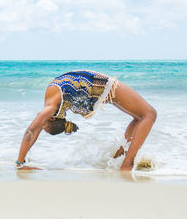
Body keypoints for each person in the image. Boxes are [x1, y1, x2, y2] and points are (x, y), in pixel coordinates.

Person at [16, 70, 156, 171]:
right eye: (43, 125)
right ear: (52, 119)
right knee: (149, 114)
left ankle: (120, 160)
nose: (40, 123)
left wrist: (20, 162)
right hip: (105, 87)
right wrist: (21, 163)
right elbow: (32, 131)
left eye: (43, 126)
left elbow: (31, 131)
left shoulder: (51, 107)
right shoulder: (51, 108)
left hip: (102, 85)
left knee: (142, 117)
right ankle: (126, 164)